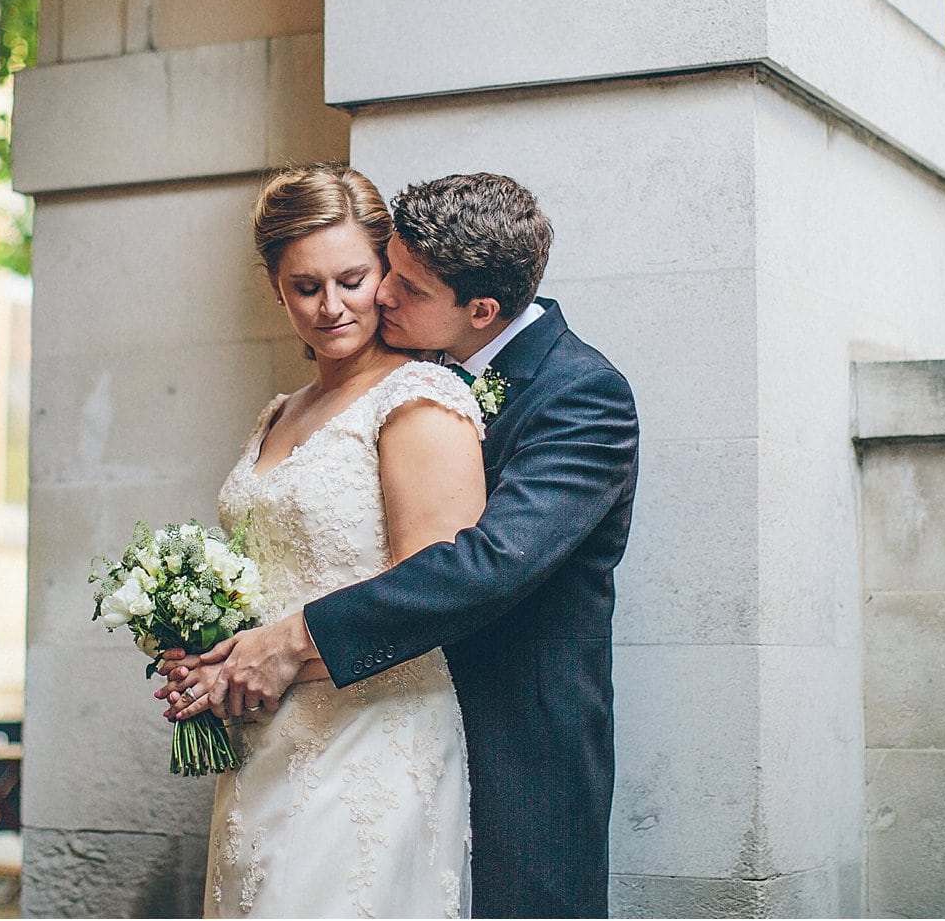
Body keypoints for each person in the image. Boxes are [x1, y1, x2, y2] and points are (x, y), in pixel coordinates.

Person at [166, 172, 641, 919]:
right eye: (383, 270)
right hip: (296, 732)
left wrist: (290, 642)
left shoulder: (578, 394)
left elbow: (481, 566)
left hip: (503, 741)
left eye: (397, 285)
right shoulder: (367, 382)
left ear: (480, 310)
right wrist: (217, 649)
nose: (378, 298)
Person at [179, 163, 485, 919]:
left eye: (351, 278)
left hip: (370, 739)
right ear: (275, 287)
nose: (331, 306)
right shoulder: (280, 411)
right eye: (304, 286)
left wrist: (276, 654)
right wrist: (208, 653)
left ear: (387, 268)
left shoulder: (417, 398)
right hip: (260, 747)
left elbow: (434, 598)